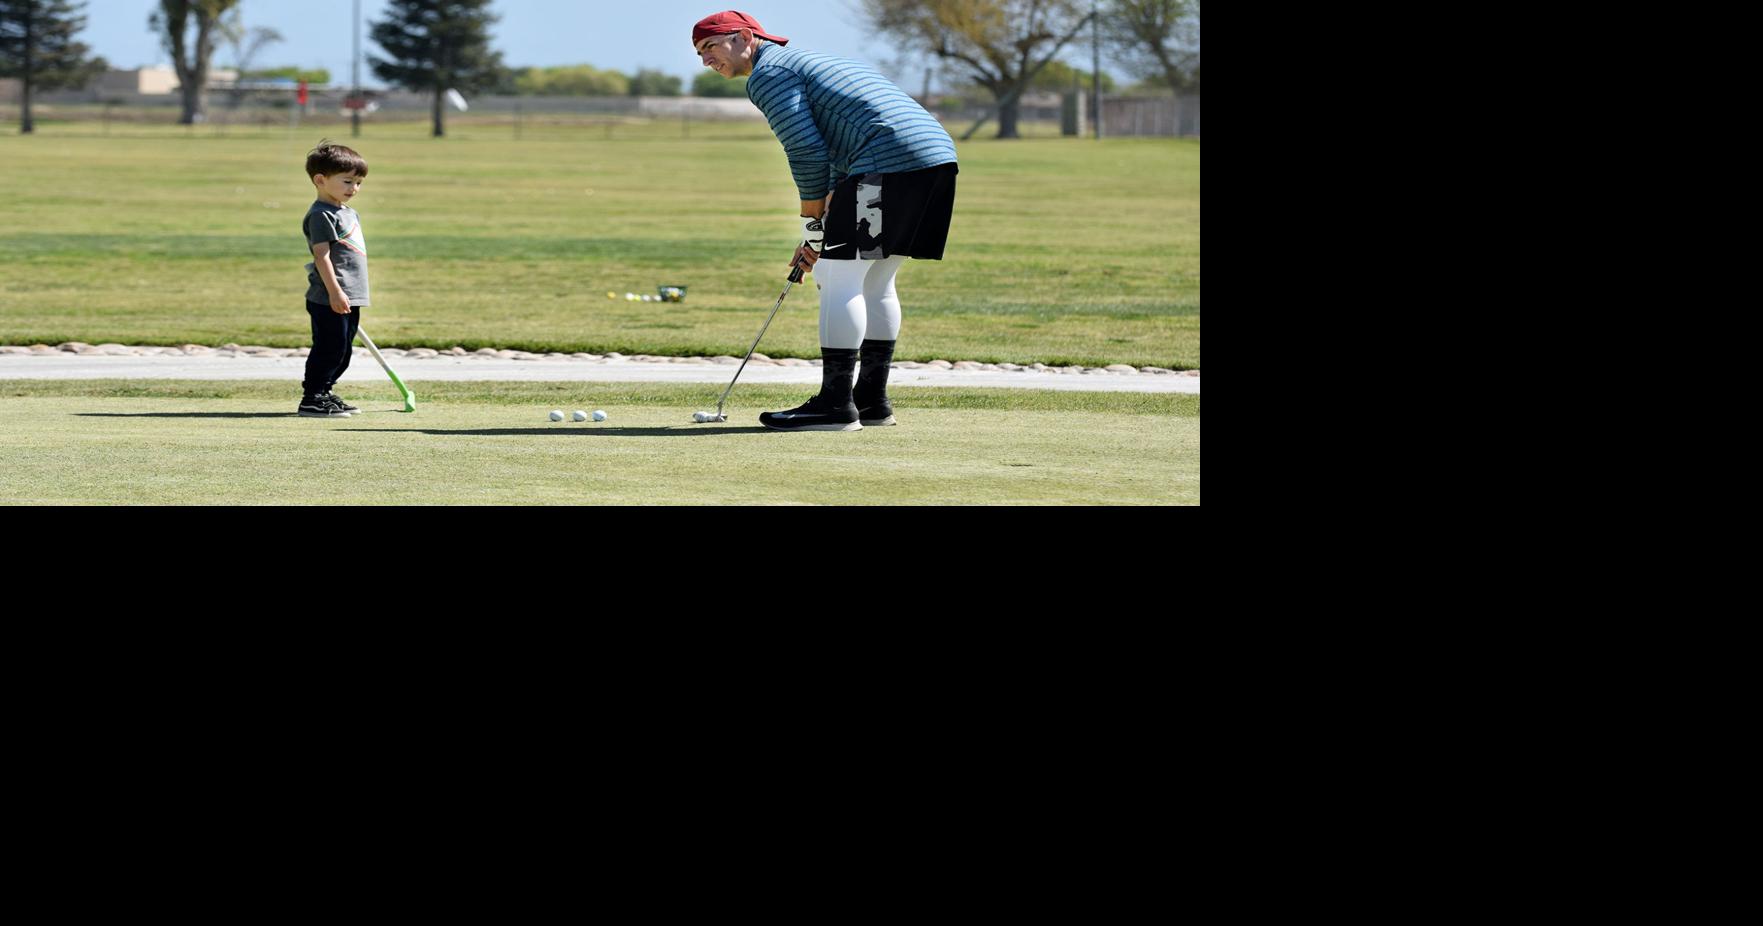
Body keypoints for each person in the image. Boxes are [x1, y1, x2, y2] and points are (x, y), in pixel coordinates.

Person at [693, 10, 958, 431]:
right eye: (700, 53)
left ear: (744, 37)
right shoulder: (807, 60)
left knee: (837, 278)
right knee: (876, 280)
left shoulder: (769, 73)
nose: (706, 60)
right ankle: (870, 401)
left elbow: (806, 151)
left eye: (711, 47)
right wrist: (824, 222)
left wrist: (812, 225)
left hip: (885, 163)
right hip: (932, 161)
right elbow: (841, 145)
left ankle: (835, 406)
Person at [298, 141, 371, 418]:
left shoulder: (348, 213)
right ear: (320, 180)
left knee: (343, 349)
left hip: (351, 294)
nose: (354, 188)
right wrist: (335, 292)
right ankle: (312, 397)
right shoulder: (321, 215)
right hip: (331, 295)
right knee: (329, 347)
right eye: (348, 181)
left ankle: (325, 392)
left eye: (358, 182)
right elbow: (322, 257)